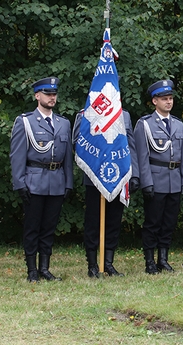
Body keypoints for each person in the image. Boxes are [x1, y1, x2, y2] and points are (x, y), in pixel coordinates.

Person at [9, 77, 73, 282]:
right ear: (37, 96)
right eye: (47, 94)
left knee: (49, 227)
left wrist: (68, 182)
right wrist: (19, 183)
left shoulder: (63, 123)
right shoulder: (25, 122)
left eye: (54, 94)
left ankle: (44, 268)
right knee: (32, 227)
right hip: (34, 181)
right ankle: (31, 270)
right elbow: (17, 154)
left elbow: (67, 158)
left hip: (56, 181)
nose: (52, 97)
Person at [73, 105, 140, 278]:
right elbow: (78, 144)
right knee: (93, 221)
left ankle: (108, 263)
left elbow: (130, 146)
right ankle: (93, 264)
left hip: (118, 176)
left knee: (114, 220)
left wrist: (135, 175)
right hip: (95, 176)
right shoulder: (85, 114)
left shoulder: (124, 115)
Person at [134, 80, 183, 274]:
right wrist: (146, 182)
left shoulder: (178, 124)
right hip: (155, 179)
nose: (169, 102)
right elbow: (141, 157)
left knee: (169, 222)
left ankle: (163, 259)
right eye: (164, 99)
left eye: (170, 98)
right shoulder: (145, 125)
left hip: (174, 180)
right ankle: (149, 261)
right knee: (153, 222)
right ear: (154, 101)